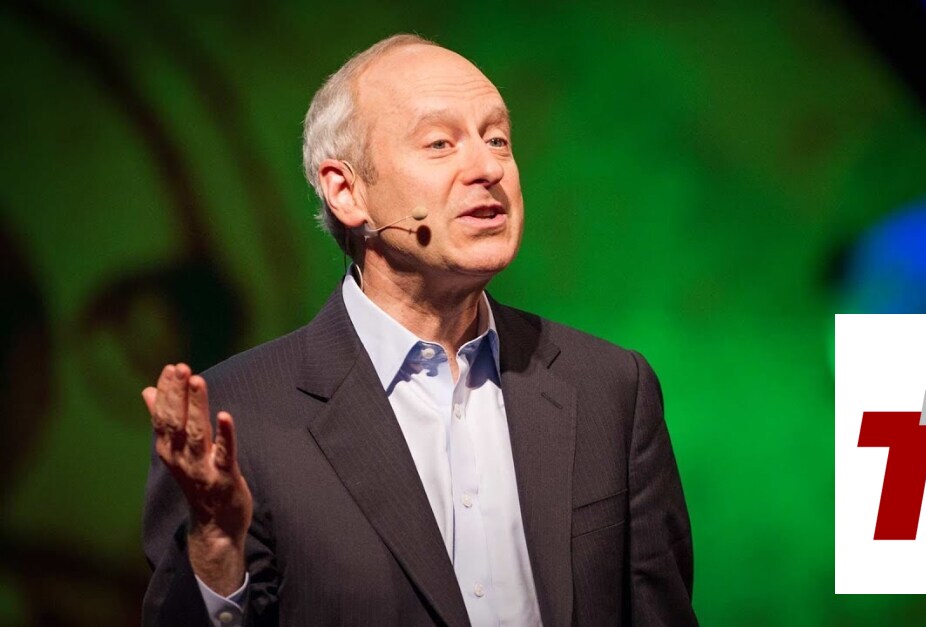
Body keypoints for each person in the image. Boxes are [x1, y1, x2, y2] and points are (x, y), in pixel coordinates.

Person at [141, 34, 696, 627]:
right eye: (439, 143)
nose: (488, 168)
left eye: (497, 139)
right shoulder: (239, 417)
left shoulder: (610, 389)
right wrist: (216, 553)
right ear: (347, 191)